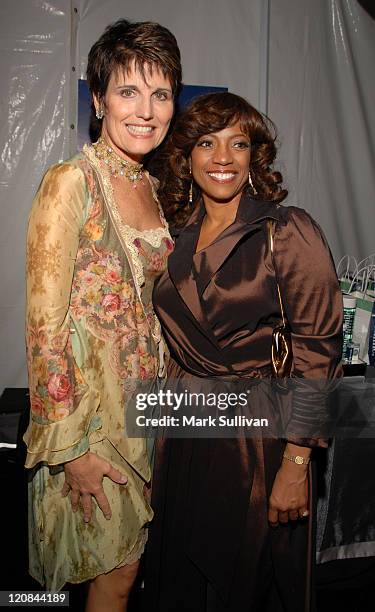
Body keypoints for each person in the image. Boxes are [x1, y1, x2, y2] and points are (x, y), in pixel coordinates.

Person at [145, 92, 343, 611]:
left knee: (246, 587)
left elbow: (319, 351)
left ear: (255, 156)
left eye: (238, 144)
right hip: (183, 432)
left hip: (258, 442)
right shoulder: (173, 238)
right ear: (186, 157)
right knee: (181, 583)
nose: (222, 158)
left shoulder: (286, 231)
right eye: (207, 143)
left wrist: (297, 461)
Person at [24, 19, 181, 611]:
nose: (145, 110)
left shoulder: (154, 186)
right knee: (116, 574)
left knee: (129, 569)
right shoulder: (71, 182)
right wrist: (72, 450)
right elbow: (44, 327)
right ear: (97, 101)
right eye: (127, 91)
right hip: (90, 423)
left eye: (160, 93)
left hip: (147, 414)